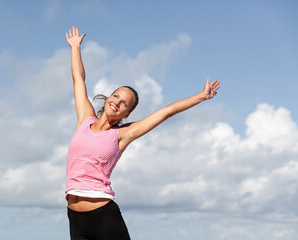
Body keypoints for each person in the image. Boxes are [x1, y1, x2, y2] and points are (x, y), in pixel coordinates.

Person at [65, 26, 220, 240]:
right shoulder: (85, 119)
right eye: (116, 96)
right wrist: (75, 48)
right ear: (108, 97)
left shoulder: (122, 134)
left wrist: (200, 97)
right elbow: (78, 78)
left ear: (126, 113)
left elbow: (168, 111)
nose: (117, 102)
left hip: (104, 217)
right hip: (75, 218)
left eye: (123, 103)